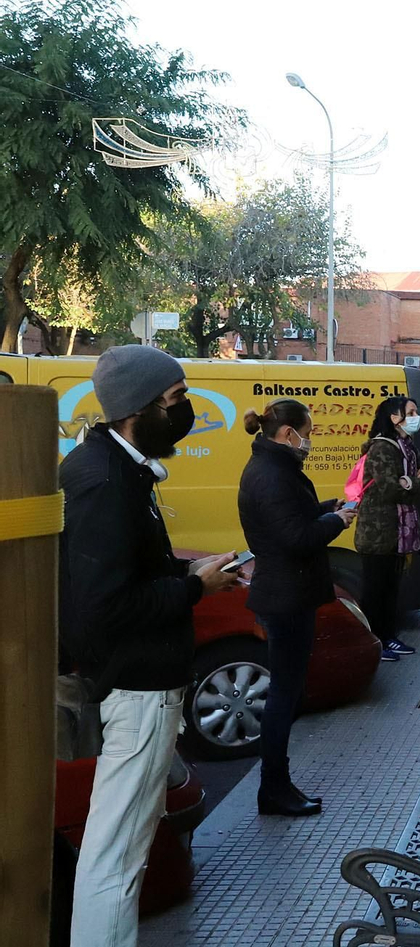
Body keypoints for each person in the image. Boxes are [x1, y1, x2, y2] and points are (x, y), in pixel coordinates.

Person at [57, 345, 237, 947]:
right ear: (138, 408)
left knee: (120, 847)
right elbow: (105, 605)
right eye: (177, 400)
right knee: (117, 854)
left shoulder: (116, 468)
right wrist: (192, 587)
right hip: (136, 691)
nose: (186, 410)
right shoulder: (107, 481)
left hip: (137, 685)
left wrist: (191, 579)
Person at [237, 398, 353, 818]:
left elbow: (292, 519)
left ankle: (277, 785)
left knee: (287, 692)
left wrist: (328, 510)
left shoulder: (275, 467)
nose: (312, 438)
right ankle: (274, 787)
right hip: (285, 596)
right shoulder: (272, 474)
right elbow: (295, 538)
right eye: (310, 430)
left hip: (289, 593)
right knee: (284, 695)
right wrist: (335, 523)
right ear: (289, 434)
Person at [355, 395, 420, 661]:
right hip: (379, 532)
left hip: (400, 533)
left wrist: (408, 483)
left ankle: (388, 637)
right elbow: (389, 489)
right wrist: (413, 482)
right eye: (409, 412)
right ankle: (373, 642)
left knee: (391, 590)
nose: (415, 417)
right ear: (394, 417)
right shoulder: (382, 448)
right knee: (375, 591)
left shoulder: (407, 446)